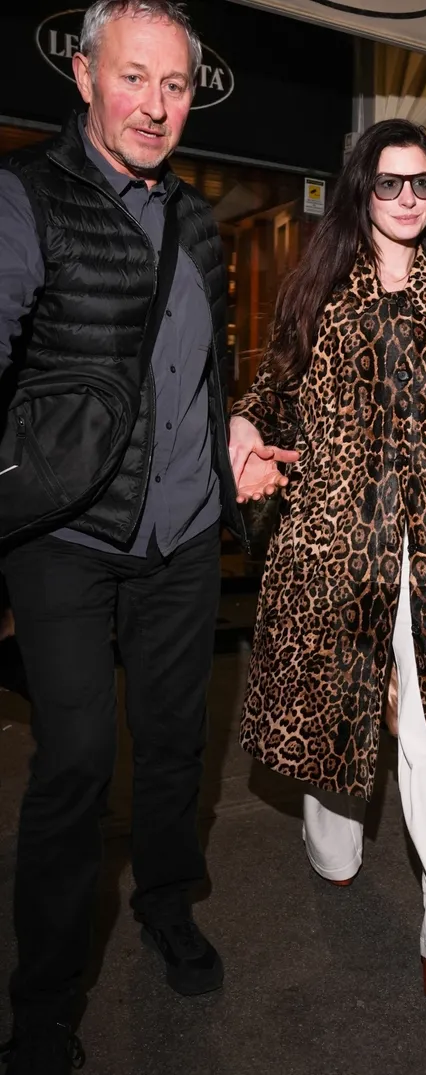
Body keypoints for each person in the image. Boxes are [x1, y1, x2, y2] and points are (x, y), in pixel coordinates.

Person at [228, 119, 426, 1029]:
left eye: (422, 183)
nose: (407, 198)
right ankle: (332, 838)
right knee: (339, 712)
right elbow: (271, 395)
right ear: (362, 189)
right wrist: (243, 427)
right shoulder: (319, 294)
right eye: (390, 182)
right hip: (336, 551)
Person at [0, 2, 253, 1070]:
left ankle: (166, 901)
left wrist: (234, 436)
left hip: (183, 531)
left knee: (174, 742)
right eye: (133, 77)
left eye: (175, 85)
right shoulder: (26, 194)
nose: (154, 105)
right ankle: (45, 999)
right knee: (76, 759)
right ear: (83, 76)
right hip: (66, 529)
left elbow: (201, 368)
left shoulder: (197, 221)